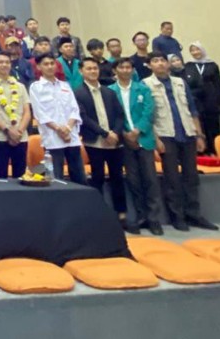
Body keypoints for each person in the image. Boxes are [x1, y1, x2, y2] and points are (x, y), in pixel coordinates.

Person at [143, 52, 218, 231]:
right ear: (149, 65)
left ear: (168, 64)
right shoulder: (145, 85)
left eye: (163, 60)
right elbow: (148, 115)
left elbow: (192, 110)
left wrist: (199, 135)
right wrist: (155, 139)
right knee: (172, 178)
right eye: (155, 61)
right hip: (165, 134)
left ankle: (194, 214)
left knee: (191, 176)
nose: (160, 64)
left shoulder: (180, 82)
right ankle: (177, 216)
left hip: (187, 133)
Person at [75, 58, 132, 232]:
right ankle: (99, 216)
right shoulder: (78, 93)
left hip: (114, 142)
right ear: (81, 71)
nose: (93, 71)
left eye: (95, 68)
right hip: (95, 142)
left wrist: (114, 132)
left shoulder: (109, 92)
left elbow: (120, 115)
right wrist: (104, 133)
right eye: (89, 69)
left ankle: (121, 215)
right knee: (97, 178)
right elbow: (83, 118)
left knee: (117, 178)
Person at [109, 58, 164, 236]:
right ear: (115, 70)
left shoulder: (143, 88)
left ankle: (154, 218)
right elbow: (113, 115)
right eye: (122, 67)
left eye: (128, 67)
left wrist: (138, 130)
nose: (125, 70)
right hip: (124, 141)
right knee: (133, 180)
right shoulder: (110, 91)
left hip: (144, 138)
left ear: (133, 70)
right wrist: (125, 133)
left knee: (150, 179)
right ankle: (141, 216)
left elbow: (149, 111)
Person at [29, 53, 86, 185]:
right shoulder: (36, 87)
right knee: (55, 178)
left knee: (79, 177)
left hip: (71, 137)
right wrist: (59, 129)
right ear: (39, 67)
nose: (50, 66)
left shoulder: (65, 85)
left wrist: (68, 128)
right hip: (52, 138)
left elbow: (74, 109)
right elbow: (40, 113)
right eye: (46, 64)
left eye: (52, 63)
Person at [0, 52, 31, 178]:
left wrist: (19, 131)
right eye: (0, 62)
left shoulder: (20, 86)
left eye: (7, 62)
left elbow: (27, 111)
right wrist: (7, 130)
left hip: (21, 137)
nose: (4, 65)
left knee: (21, 175)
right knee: (1, 175)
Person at [185, 41, 220, 156]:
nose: (195, 52)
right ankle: (202, 151)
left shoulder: (212, 65)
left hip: (211, 99)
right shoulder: (188, 66)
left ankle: (214, 150)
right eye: (192, 50)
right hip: (196, 100)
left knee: (213, 125)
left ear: (202, 50)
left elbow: (218, 83)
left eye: (197, 49)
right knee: (200, 125)